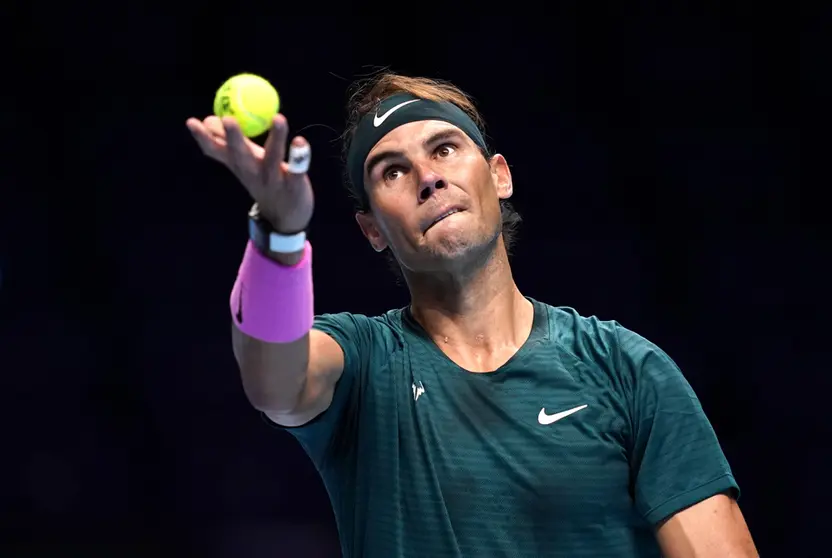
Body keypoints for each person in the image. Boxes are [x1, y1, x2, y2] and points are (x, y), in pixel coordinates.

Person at [186, 72, 758, 557]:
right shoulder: (362, 363)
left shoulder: (627, 369)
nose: (428, 177)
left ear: (500, 175)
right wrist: (279, 235)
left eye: (444, 149)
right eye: (391, 171)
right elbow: (272, 380)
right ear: (371, 231)